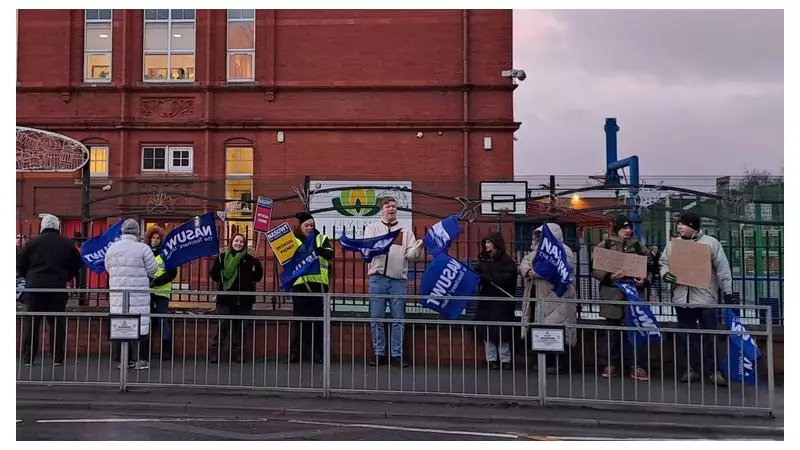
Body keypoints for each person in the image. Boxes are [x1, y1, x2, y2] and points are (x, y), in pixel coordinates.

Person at [660, 211, 732, 386]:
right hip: (682, 299)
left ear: (692, 225)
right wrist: (665, 275)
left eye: (682, 224)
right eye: (678, 224)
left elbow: (722, 269)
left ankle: (713, 370)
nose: (679, 227)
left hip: (705, 298)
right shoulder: (673, 245)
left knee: (710, 336)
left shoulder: (711, 244)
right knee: (687, 337)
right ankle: (691, 369)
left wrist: (728, 292)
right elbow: (663, 263)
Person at [591, 215, 652, 381]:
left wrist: (644, 281)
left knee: (636, 331)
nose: (628, 231)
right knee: (612, 333)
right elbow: (595, 269)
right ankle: (611, 364)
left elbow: (650, 268)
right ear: (617, 229)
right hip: (612, 295)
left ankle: (638, 366)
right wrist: (610, 277)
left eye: (629, 228)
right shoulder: (606, 246)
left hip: (633, 296)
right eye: (624, 228)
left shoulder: (639, 247)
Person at [364, 196, 423, 367]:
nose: (391, 209)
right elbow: (369, 249)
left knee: (398, 319)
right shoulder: (372, 228)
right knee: (376, 318)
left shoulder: (405, 230)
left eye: (394, 206)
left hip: (398, 281)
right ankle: (378, 353)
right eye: (388, 206)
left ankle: (396, 354)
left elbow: (411, 256)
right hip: (377, 279)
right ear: (381, 209)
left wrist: (418, 248)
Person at [17, 214, 83, 366]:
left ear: (42, 226)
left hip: (35, 287)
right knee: (57, 323)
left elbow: (20, 263)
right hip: (57, 287)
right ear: (57, 226)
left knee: (32, 322)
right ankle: (57, 358)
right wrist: (66, 276)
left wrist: (29, 276)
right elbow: (77, 265)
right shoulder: (68, 244)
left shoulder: (31, 243)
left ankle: (28, 358)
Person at [520, 223, 578, 373]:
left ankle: (557, 364)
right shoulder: (534, 251)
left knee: (557, 329)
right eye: (537, 235)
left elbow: (551, 269)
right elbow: (524, 264)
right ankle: (542, 362)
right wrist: (529, 270)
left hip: (558, 298)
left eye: (542, 235)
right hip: (537, 297)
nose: (538, 238)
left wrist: (533, 272)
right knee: (539, 329)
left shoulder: (564, 250)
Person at [105, 219, 158, 370]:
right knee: (141, 326)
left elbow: (108, 268)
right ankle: (140, 359)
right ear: (137, 233)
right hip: (138, 295)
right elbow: (153, 270)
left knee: (120, 325)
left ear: (122, 231)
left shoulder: (112, 248)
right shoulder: (143, 248)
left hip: (118, 296)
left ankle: (123, 360)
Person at [208, 233, 264, 363]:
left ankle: (237, 353)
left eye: (241, 242)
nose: (238, 243)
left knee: (241, 329)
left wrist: (258, 266)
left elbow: (257, 278)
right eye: (236, 241)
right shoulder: (223, 257)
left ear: (244, 245)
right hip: (226, 300)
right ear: (231, 242)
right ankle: (215, 352)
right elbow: (215, 276)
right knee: (222, 327)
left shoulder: (249, 259)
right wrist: (218, 266)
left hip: (244, 301)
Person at [288, 212, 334, 364]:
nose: (309, 228)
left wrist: (321, 251)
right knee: (299, 321)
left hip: (318, 285)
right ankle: (296, 353)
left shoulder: (321, 239)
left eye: (311, 225)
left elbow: (330, 254)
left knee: (318, 322)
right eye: (306, 225)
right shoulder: (293, 241)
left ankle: (318, 353)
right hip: (300, 284)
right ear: (300, 227)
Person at [473, 233, 518, 371]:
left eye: (488, 242)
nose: (486, 245)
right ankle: (491, 359)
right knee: (488, 332)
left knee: (502, 331)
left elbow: (509, 277)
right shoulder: (484, 260)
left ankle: (505, 359)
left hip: (501, 301)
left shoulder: (507, 261)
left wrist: (492, 278)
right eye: (485, 243)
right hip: (486, 300)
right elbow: (476, 274)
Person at [144, 226, 178, 360]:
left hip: (162, 293)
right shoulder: (145, 253)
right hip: (147, 293)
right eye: (153, 237)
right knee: (146, 322)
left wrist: (155, 282)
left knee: (163, 322)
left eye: (158, 238)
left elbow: (172, 273)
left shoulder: (166, 254)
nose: (155, 240)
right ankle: (145, 352)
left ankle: (167, 352)